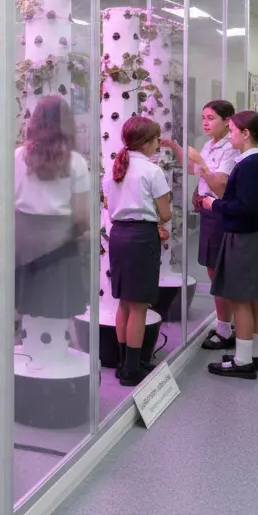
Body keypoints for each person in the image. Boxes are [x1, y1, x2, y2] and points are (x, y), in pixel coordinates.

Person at [201, 111, 258, 379]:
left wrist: (213, 203)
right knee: (254, 299)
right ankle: (255, 354)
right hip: (256, 235)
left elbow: (246, 207)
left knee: (240, 301)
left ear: (246, 134)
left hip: (244, 238)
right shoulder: (257, 161)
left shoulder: (248, 166)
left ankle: (242, 360)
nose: (231, 135)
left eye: (233, 131)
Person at [163, 100, 240, 351]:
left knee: (218, 272)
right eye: (204, 118)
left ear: (228, 121)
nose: (205, 123)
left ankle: (224, 328)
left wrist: (203, 164)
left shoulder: (231, 148)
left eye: (211, 118)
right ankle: (226, 324)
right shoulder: (210, 144)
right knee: (212, 270)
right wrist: (176, 147)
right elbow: (193, 169)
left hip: (219, 211)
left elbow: (220, 186)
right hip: (208, 212)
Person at [103, 116, 173, 386]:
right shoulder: (152, 172)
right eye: (156, 139)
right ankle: (133, 369)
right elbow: (165, 214)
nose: (158, 144)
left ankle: (123, 364)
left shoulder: (115, 167)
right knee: (139, 306)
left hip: (118, 235)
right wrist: (156, 222)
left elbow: (109, 204)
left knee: (124, 303)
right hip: (142, 238)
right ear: (146, 142)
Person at [13, 95, 91, 324]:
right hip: (60, 240)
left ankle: (28, 348)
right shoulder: (75, 162)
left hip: (24, 237)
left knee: (26, 301)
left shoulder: (17, 156)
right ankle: (54, 352)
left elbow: (7, 202)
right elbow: (81, 215)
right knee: (58, 304)